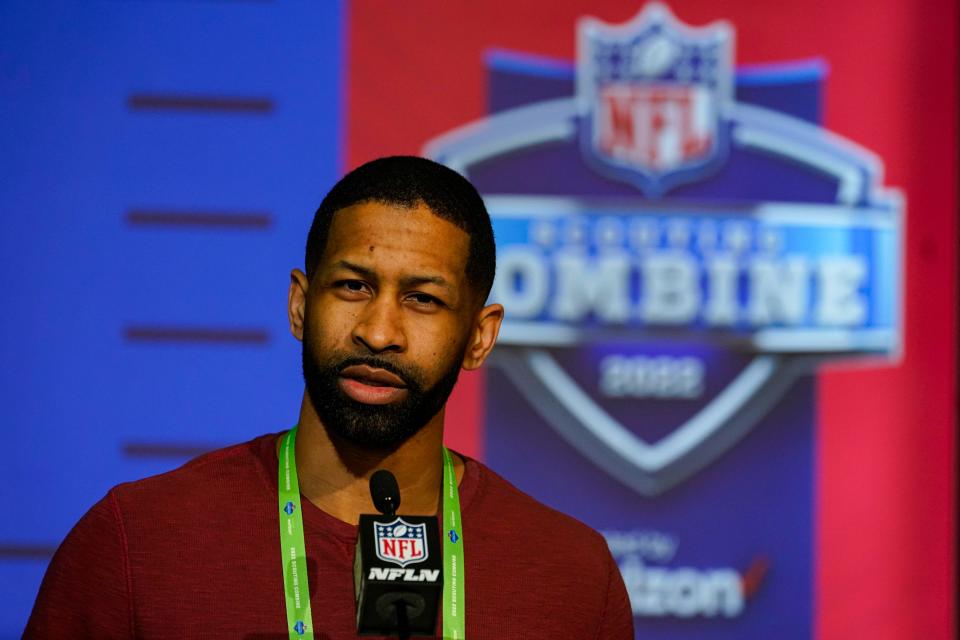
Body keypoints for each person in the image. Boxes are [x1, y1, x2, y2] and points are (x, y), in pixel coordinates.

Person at [25, 156, 634, 639]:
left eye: (423, 298)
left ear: (480, 336)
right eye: (352, 286)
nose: (378, 331)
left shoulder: (573, 577)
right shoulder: (137, 543)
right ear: (299, 304)